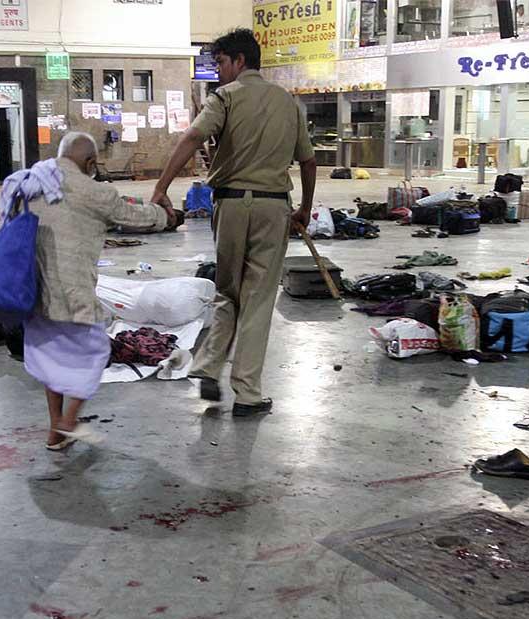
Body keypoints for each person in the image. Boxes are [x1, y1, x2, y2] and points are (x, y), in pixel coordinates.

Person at [151, 28, 316, 417]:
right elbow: (308, 161)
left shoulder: (225, 97)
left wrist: (160, 190)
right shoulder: (289, 103)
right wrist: (304, 209)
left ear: (240, 61)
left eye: (221, 63)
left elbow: (193, 137)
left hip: (229, 205)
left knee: (228, 291)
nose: (219, 72)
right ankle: (247, 394)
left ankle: (208, 366)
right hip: (274, 207)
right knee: (258, 299)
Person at [22, 132, 172, 450]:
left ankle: (54, 432)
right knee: (95, 353)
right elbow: (135, 216)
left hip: (33, 290)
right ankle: (68, 422)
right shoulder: (92, 190)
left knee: (52, 360)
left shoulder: (32, 180)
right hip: (73, 292)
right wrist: (163, 213)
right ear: (90, 162)